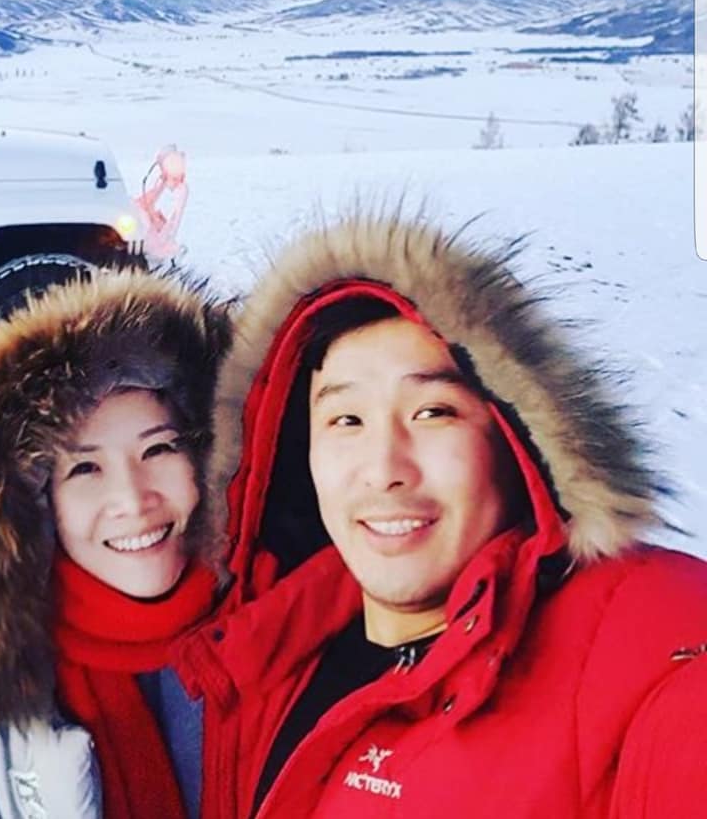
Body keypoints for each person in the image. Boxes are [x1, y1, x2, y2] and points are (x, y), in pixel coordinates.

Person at [175, 208, 707, 818]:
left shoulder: (649, 643)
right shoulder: (268, 650)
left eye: (433, 413)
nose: (384, 468)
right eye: (346, 420)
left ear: (516, 440)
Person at [0, 268, 231, 819]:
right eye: (85, 468)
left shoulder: (279, 614)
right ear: (39, 503)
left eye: (159, 449)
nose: (132, 499)